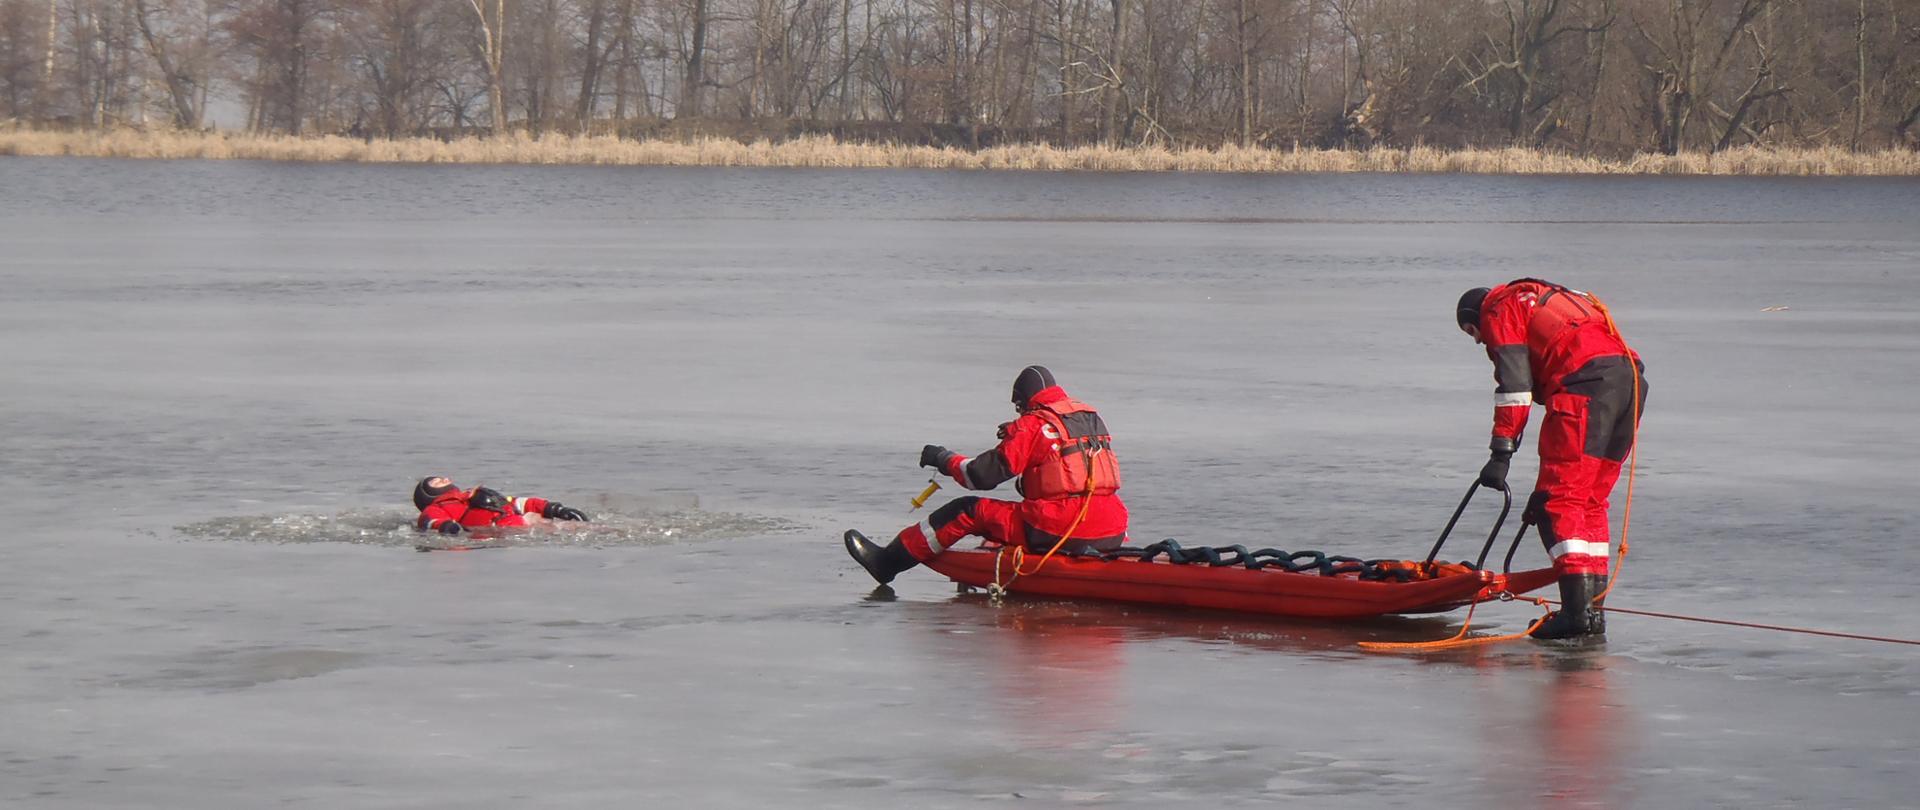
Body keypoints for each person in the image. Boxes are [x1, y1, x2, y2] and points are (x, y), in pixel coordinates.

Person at [1456, 279, 1646, 640]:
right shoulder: (1550, 297)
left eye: (1472, 332)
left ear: (1476, 315)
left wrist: (1501, 453)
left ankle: (1576, 615)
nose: (1479, 340)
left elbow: (1515, 389)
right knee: (1590, 502)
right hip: (1629, 382)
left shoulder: (1499, 309)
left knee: (1559, 503)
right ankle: (1591, 614)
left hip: (1585, 385)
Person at [846, 365, 1129, 584]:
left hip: (1059, 528)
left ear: (1025, 402)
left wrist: (943, 459)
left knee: (967, 511)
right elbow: (1067, 467)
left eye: (1019, 408)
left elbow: (980, 476)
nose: (1018, 414)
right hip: (1112, 531)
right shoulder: (1089, 418)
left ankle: (887, 563)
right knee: (1029, 510)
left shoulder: (1030, 426)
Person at [412, 476, 590, 535]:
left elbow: (515, 502)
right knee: (561, 529)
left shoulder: (470, 494)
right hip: (504, 530)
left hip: (517, 521)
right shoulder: (436, 508)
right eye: (436, 482)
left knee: (571, 527)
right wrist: (446, 526)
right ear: (427, 495)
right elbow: (428, 521)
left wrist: (554, 508)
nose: (444, 479)